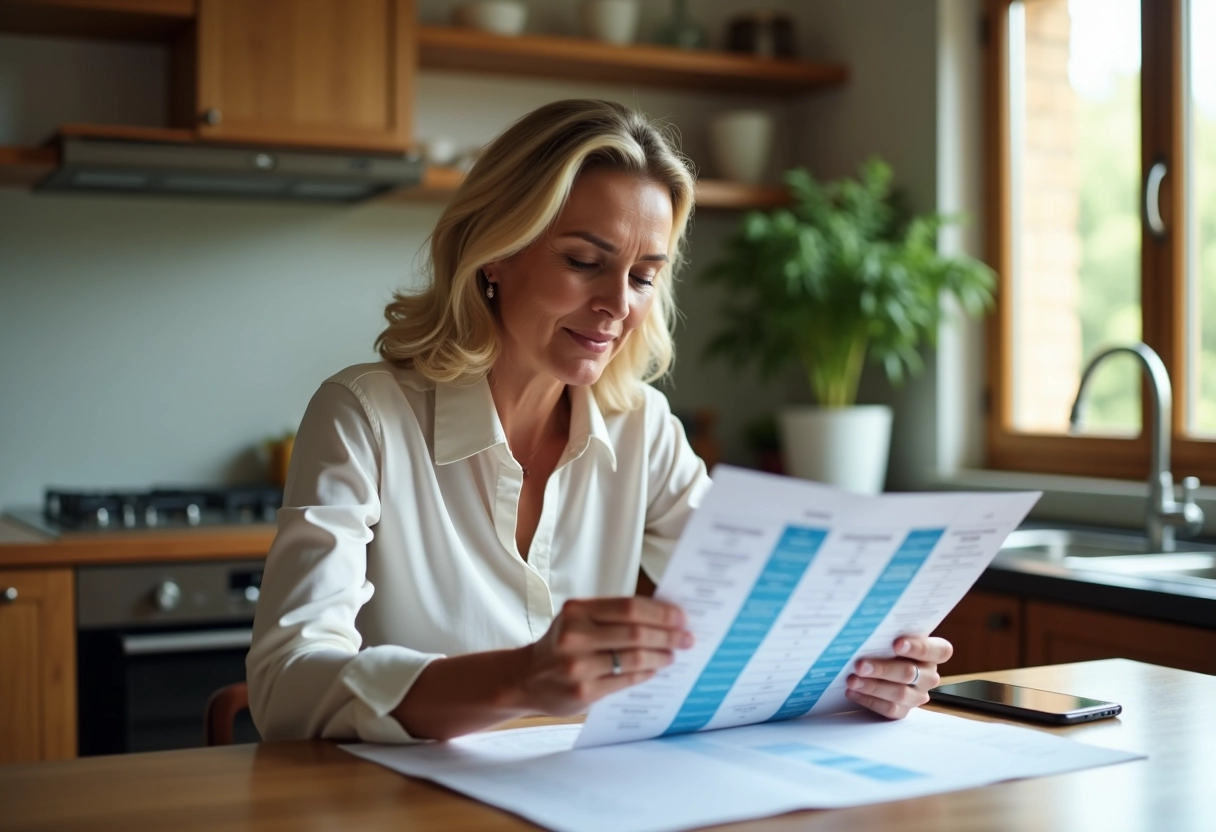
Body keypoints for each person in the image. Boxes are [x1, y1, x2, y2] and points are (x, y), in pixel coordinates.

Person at [246, 99, 953, 744]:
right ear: (495, 255)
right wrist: (519, 679)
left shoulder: (642, 426)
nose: (618, 304)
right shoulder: (364, 415)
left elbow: (764, 620)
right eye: (585, 261)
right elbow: (285, 682)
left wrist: (869, 667)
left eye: (644, 276)